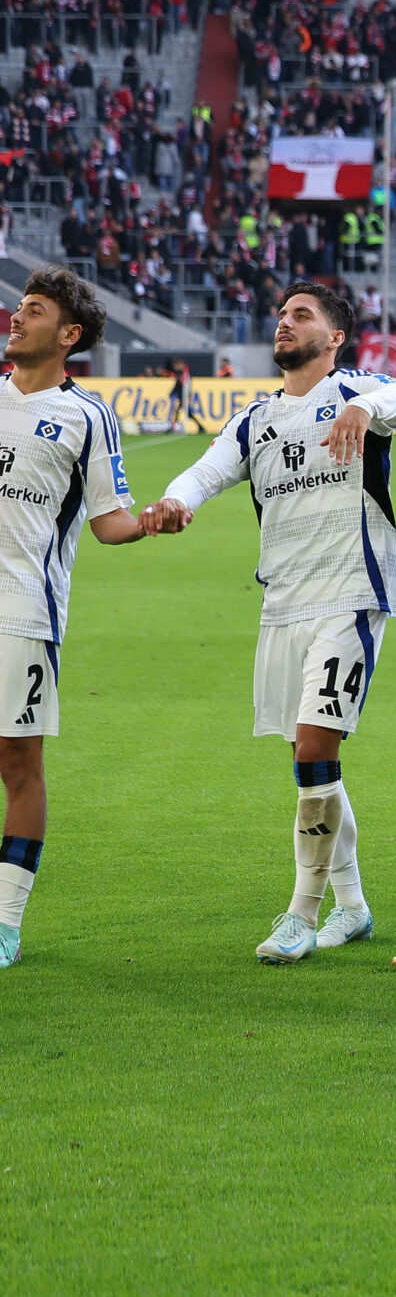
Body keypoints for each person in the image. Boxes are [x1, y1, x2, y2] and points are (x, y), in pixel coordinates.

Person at [139, 284, 396, 962]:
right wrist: (176, 502)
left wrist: (361, 406)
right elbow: (206, 471)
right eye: (282, 314)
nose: (284, 322)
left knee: (314, 752)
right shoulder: (255, 418)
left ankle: (301, 912)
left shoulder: (358, 391)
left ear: (334, 339)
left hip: (350, 594)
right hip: (283, 606)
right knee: (309, 762)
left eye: (302, 315)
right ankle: (352, 907)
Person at [0, 268, 151, 968]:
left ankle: (5, 924)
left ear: (68, 336)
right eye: (18, 307)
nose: (16, 317)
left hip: (23, 612)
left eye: (33, 311)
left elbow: (109, 522)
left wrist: (154, 521)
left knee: (18, 764)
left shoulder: (87, 416)